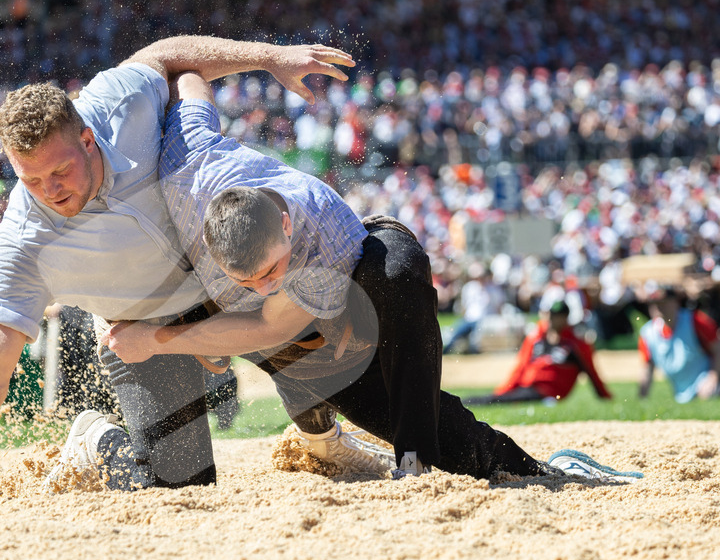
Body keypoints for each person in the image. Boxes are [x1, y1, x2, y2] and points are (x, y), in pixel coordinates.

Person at [0, 35, 358, 512]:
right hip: (140, 331)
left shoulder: (119, 102)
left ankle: (324, 440)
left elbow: (170, 56)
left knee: (320, 328)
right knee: (183, 488)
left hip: (227, 285)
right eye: (31, 179)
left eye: (61, 171)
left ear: (87, 138)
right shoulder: (24, 242)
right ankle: (97, 441)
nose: (50, 190)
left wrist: (270, 58)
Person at [98, 71, 564, 482]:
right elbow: (187, 76)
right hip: (282, 334)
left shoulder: (322, 222)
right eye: (246, 281)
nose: (265, 287)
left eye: (271, 271)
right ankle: (313, 428)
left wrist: (162, 338)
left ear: (285, 226)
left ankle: (421, 464)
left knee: (396, 274)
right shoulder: (188, 165)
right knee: (413, 422)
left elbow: (271, 325)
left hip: (351, 291)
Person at [465, 300, 613, 405]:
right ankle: (466, 402)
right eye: (550, 315)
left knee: (496, 401)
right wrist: (503, 391)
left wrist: (604, 396)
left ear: (565, 318)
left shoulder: (576, 344)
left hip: (548, 391)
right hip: (528, 386)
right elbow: (520, 368)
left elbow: (591, 372)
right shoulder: (536, 337)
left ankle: (468, 403)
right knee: (497, 399)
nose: (551, 320)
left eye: (556, 316)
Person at [638, 286, 720, 403]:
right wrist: (642, 397)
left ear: (675, 302)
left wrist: (713, 377)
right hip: (680, 391)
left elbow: (717, 349)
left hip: (704, 381)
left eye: (663, 302)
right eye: (654, 303)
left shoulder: (695, 320)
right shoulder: (647, 333)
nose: (658, 307)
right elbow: (647, 368)